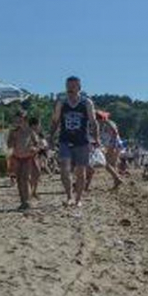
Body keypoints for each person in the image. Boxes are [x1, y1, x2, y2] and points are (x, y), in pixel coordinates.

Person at [50, 76, 100, 207]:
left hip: (81, 141)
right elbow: (55, 121)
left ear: (79, 87)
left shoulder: (86, 103)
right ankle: (69, 196)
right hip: (65, 139)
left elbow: (93, 122)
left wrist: (97, 138)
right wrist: (50, 137)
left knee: (80, 171)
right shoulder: (61, 102)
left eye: (73, 86)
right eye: (68, 86)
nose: (70, 88)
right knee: (64, 168)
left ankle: (78, 199)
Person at [7, 111, 40, 210]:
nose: (18, 120)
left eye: (20, 118)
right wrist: (12, 140)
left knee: (25, 179)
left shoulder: (30, 131)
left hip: (27, 157)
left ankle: (27, 201)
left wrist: (34, 149)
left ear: (24, 119)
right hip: (16, 157)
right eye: (16, 119)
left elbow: (37, 144)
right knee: (19, 180)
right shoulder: (13, 131)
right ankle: (22, 201)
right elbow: (9, 144)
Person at [96, 111, 124, 190]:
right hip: (116, 144)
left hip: (114, 144)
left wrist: (113, 145)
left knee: (106, 163)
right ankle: (116, 182)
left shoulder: (108, 123)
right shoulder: (107, 123)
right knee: (113, 164)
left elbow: (115, 132)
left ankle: (117, 178)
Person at [28, 117, 46, 197]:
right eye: (38, 124)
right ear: (35, 125)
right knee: (33, 173)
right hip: (29, 155)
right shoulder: (30, 132)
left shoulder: (36, 133)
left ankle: (33, 191)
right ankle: (31, 191)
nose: (39, 126)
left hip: (35, 155)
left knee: (37, 173)